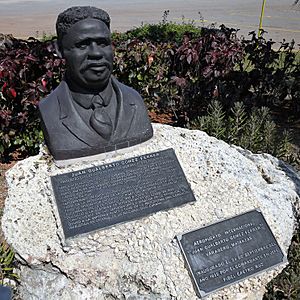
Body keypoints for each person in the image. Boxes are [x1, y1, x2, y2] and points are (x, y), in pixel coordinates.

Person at [39, 6, 153, 161]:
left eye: (103, 43)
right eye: (83, 45)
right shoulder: (50, 109)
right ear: (60, 50)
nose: (96, 53)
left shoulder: (134, 100)